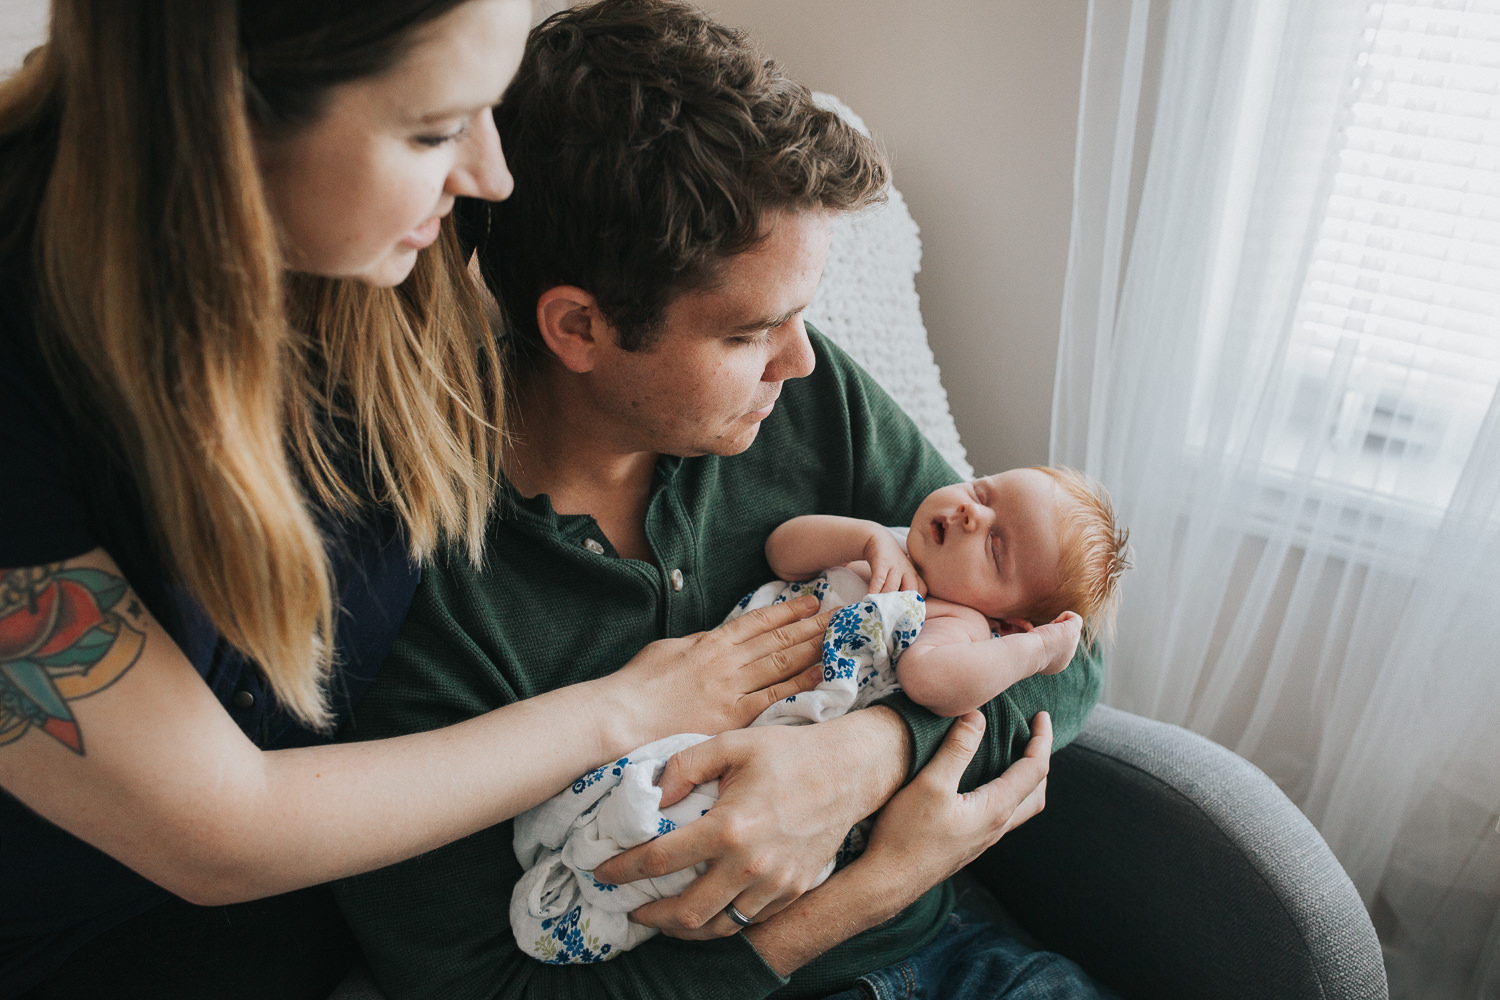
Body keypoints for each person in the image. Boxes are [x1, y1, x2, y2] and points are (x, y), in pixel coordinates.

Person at [0, 2, 836, 997]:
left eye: (488, 107)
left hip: (357, 920)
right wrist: (630, 708)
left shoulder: (425, 221)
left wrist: (863, 748)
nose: (493, 175)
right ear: (225, 118)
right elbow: (216, 833)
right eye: (437, 128)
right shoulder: (28, 363)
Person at [333, 1, 1115, 996]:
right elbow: (487, 988)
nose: (799, 359)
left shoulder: (797, 393)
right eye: (750, 332)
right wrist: (873, 886)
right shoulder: (417, 583)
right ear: (580, 328)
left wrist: (872, 754)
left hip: (957, 960)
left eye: (803, 319)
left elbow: (1068, 640)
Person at [765, 465, 1131, 717]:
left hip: (789, 724)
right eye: (981, 492)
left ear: (1009, 627)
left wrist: (1036, 651)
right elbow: (780, 552)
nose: (972, 513)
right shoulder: (889, 541)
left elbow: (926, 680)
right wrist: (866, 537)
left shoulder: (961, 622)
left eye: (995, 547)